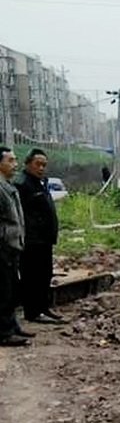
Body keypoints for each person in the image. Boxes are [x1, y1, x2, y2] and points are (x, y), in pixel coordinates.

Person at [15, 149, 63, 324]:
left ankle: (43, 308)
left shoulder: (41, 182)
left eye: (44, 165)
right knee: (32, 277)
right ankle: (33, 312)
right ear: (28, 164)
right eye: (38, 164)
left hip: (45, 239)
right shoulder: (22, 184)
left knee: (45, 274)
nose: (41, 168)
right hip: (32, 240)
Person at [0, 146, 30, 346]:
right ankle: (4, 332)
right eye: (10, 160)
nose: (15, 164)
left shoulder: (7, 186)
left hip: (12, 247)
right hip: (2, 248)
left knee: (11, 290)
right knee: (3, 291)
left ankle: (12, 326)